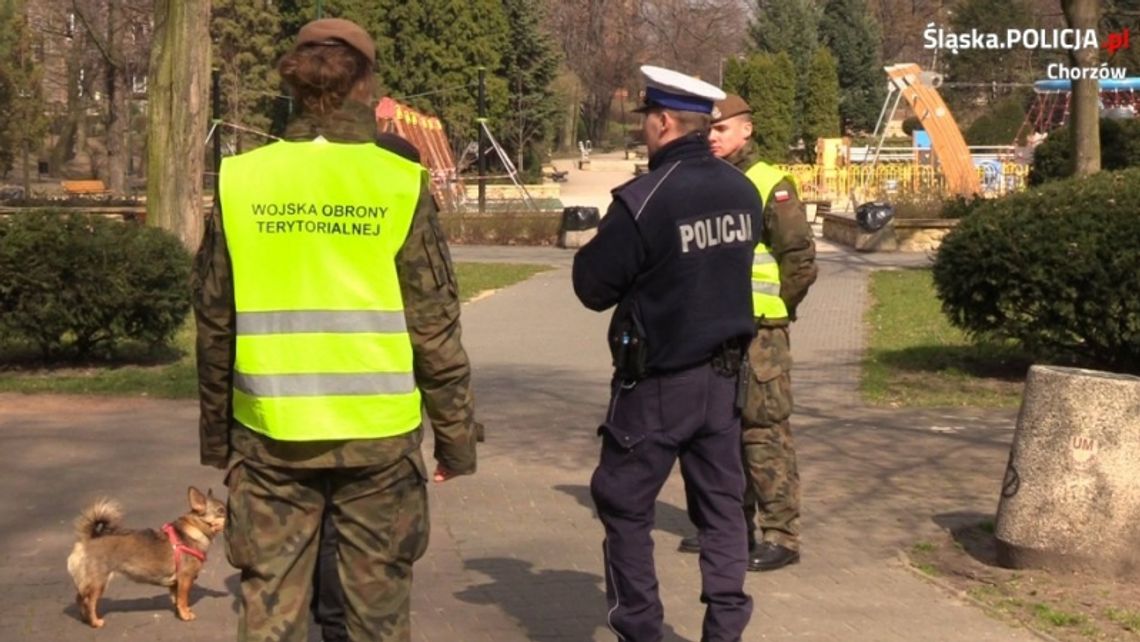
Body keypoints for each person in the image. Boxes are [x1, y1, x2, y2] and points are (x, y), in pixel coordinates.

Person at [192, 17, 480, 642]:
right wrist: (456, 437)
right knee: (377, 620)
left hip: (270, 438)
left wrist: (218, 441)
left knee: (270, 613)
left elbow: (215, 324)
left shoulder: (241, 180)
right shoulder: (399, 182)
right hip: (379, 441)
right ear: (368, 88)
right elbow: (433, 325)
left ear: (294, 84)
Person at [573, 65, 760, 642]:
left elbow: (592, 287)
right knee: (723, 510)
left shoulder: (642, 200)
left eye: (646, 122)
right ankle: (725, 630)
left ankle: (641, 628)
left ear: (661, 122)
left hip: (656, 385)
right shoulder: (742, 189)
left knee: (624, 505)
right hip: (724, 383)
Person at [678, 94, 817, 573]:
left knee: (764, 430)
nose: (712, 137)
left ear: (747, 131)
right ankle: (728, 526)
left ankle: (781, 534)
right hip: (715, 330)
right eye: (708, 131)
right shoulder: (705, 182)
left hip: (760, 332)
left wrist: (778, 311)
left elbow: (798, 261)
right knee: (718, 430)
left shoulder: (769, 183)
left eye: (721, 130)